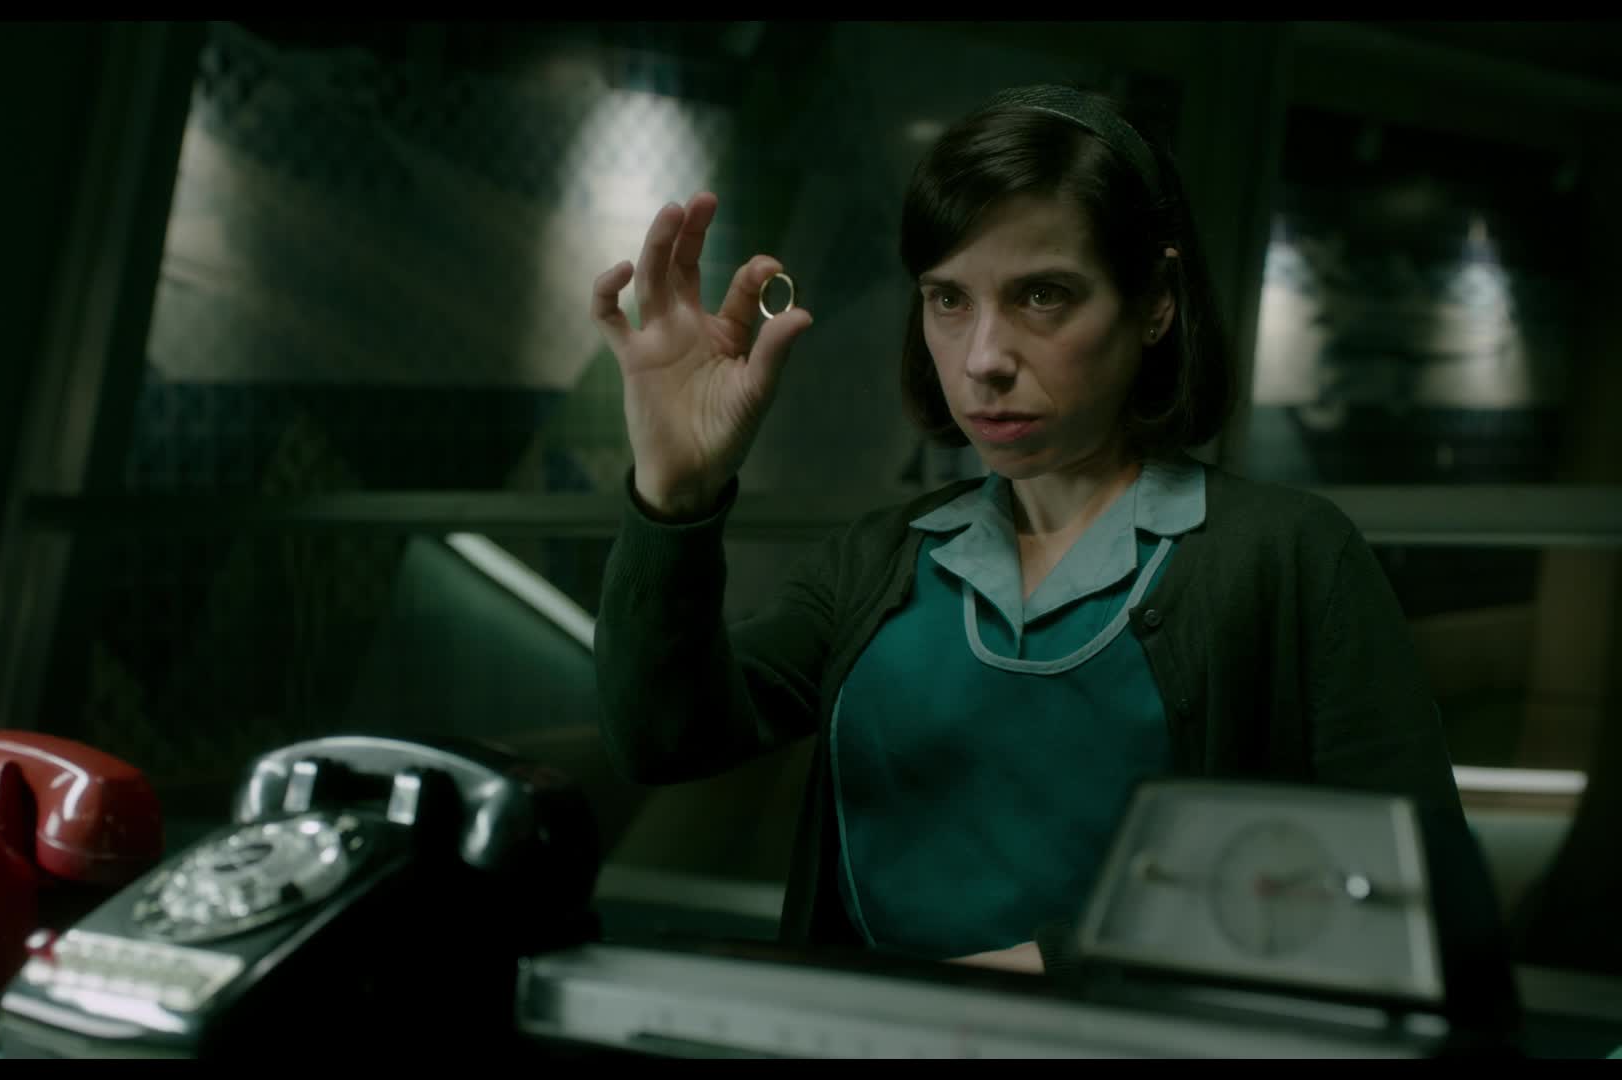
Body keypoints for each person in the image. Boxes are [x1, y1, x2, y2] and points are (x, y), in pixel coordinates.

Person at [586, 84, 1468, 980]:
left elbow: (1415, 895)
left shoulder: (1285, 557)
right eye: (948, 299)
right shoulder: (878, 562)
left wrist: (1062, 968)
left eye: (1043, 295)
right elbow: (662, 737)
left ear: (1155, 301)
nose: (983, 360)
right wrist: (673, 493)